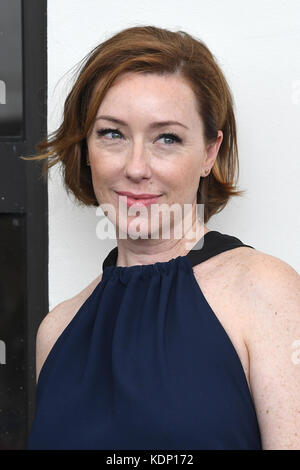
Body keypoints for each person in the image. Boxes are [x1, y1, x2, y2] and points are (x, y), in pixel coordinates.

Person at [24, 25, 300, 450]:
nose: (135, 167)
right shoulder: (56, 330)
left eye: (166, 138)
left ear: (210, 152)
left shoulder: (268, 292)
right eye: (112, 133)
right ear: (86, 148)